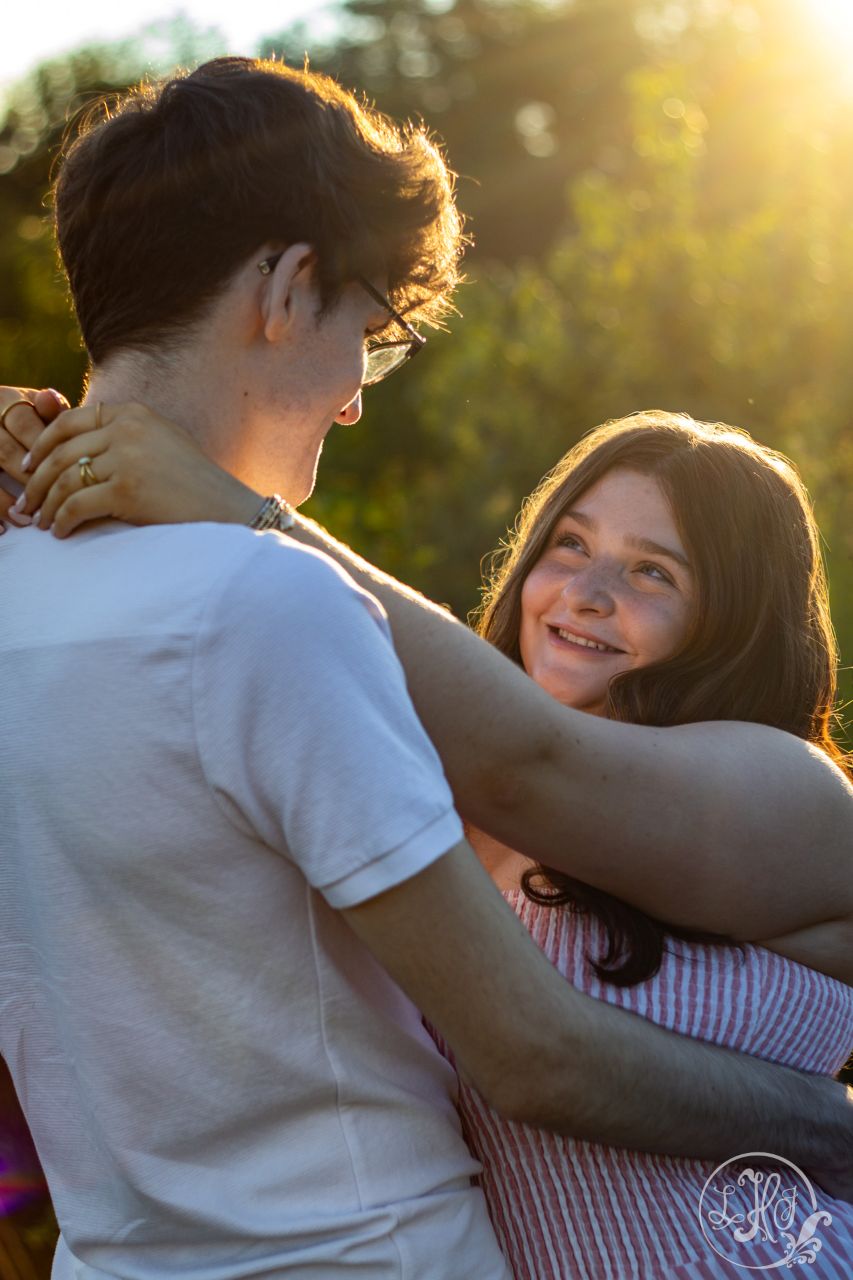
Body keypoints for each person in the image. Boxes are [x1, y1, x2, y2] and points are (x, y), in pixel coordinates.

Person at [1, 55, 852, 1279]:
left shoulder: (21, 591)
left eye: (653, 571)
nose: (354, 397)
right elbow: (530, 1044)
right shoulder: (275, 606)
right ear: (290, 289)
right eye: (373, 333)